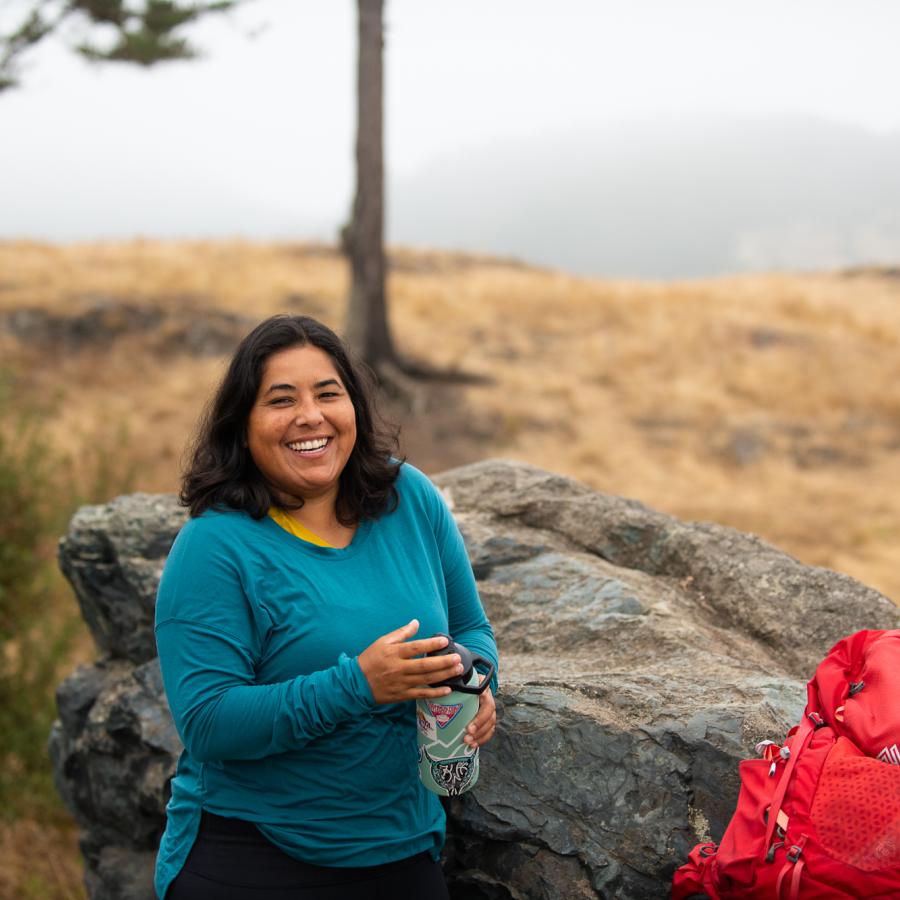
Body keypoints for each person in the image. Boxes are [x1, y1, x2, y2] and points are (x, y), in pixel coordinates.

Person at [154, 314, 499, 900]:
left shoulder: (408, 497)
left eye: (328, 393)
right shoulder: (214, 547)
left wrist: (477, 683)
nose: (310, 416)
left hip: (402, 847)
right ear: (243, 427)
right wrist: (358, 685)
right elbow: (209, 722)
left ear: (354, 410)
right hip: (251, 856)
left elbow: (472, 629)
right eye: (280, 400)